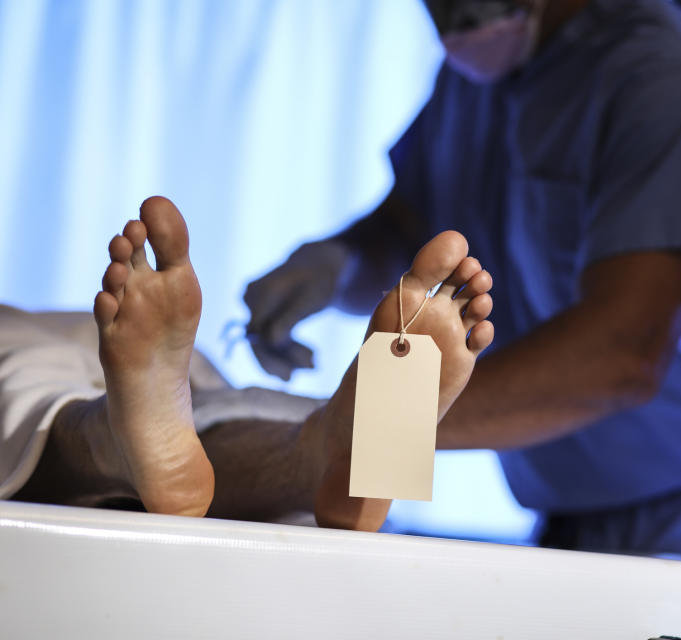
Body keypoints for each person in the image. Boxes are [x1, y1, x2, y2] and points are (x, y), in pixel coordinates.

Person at [243, 0, 681, 570]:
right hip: (572, 515)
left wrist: (363, 427)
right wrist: (334, 264)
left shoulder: (669, 82)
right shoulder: (471, 84)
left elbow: (621, 356)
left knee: (307, 455)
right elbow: (410, 234)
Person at [2, 196, 495, 530]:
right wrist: (335, 263)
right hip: (117, 354)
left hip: (139, 360)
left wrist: (331, 266)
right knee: (218, 409)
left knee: (36, 381)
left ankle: (314, 451)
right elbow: (397, 217)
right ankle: (310, 455)